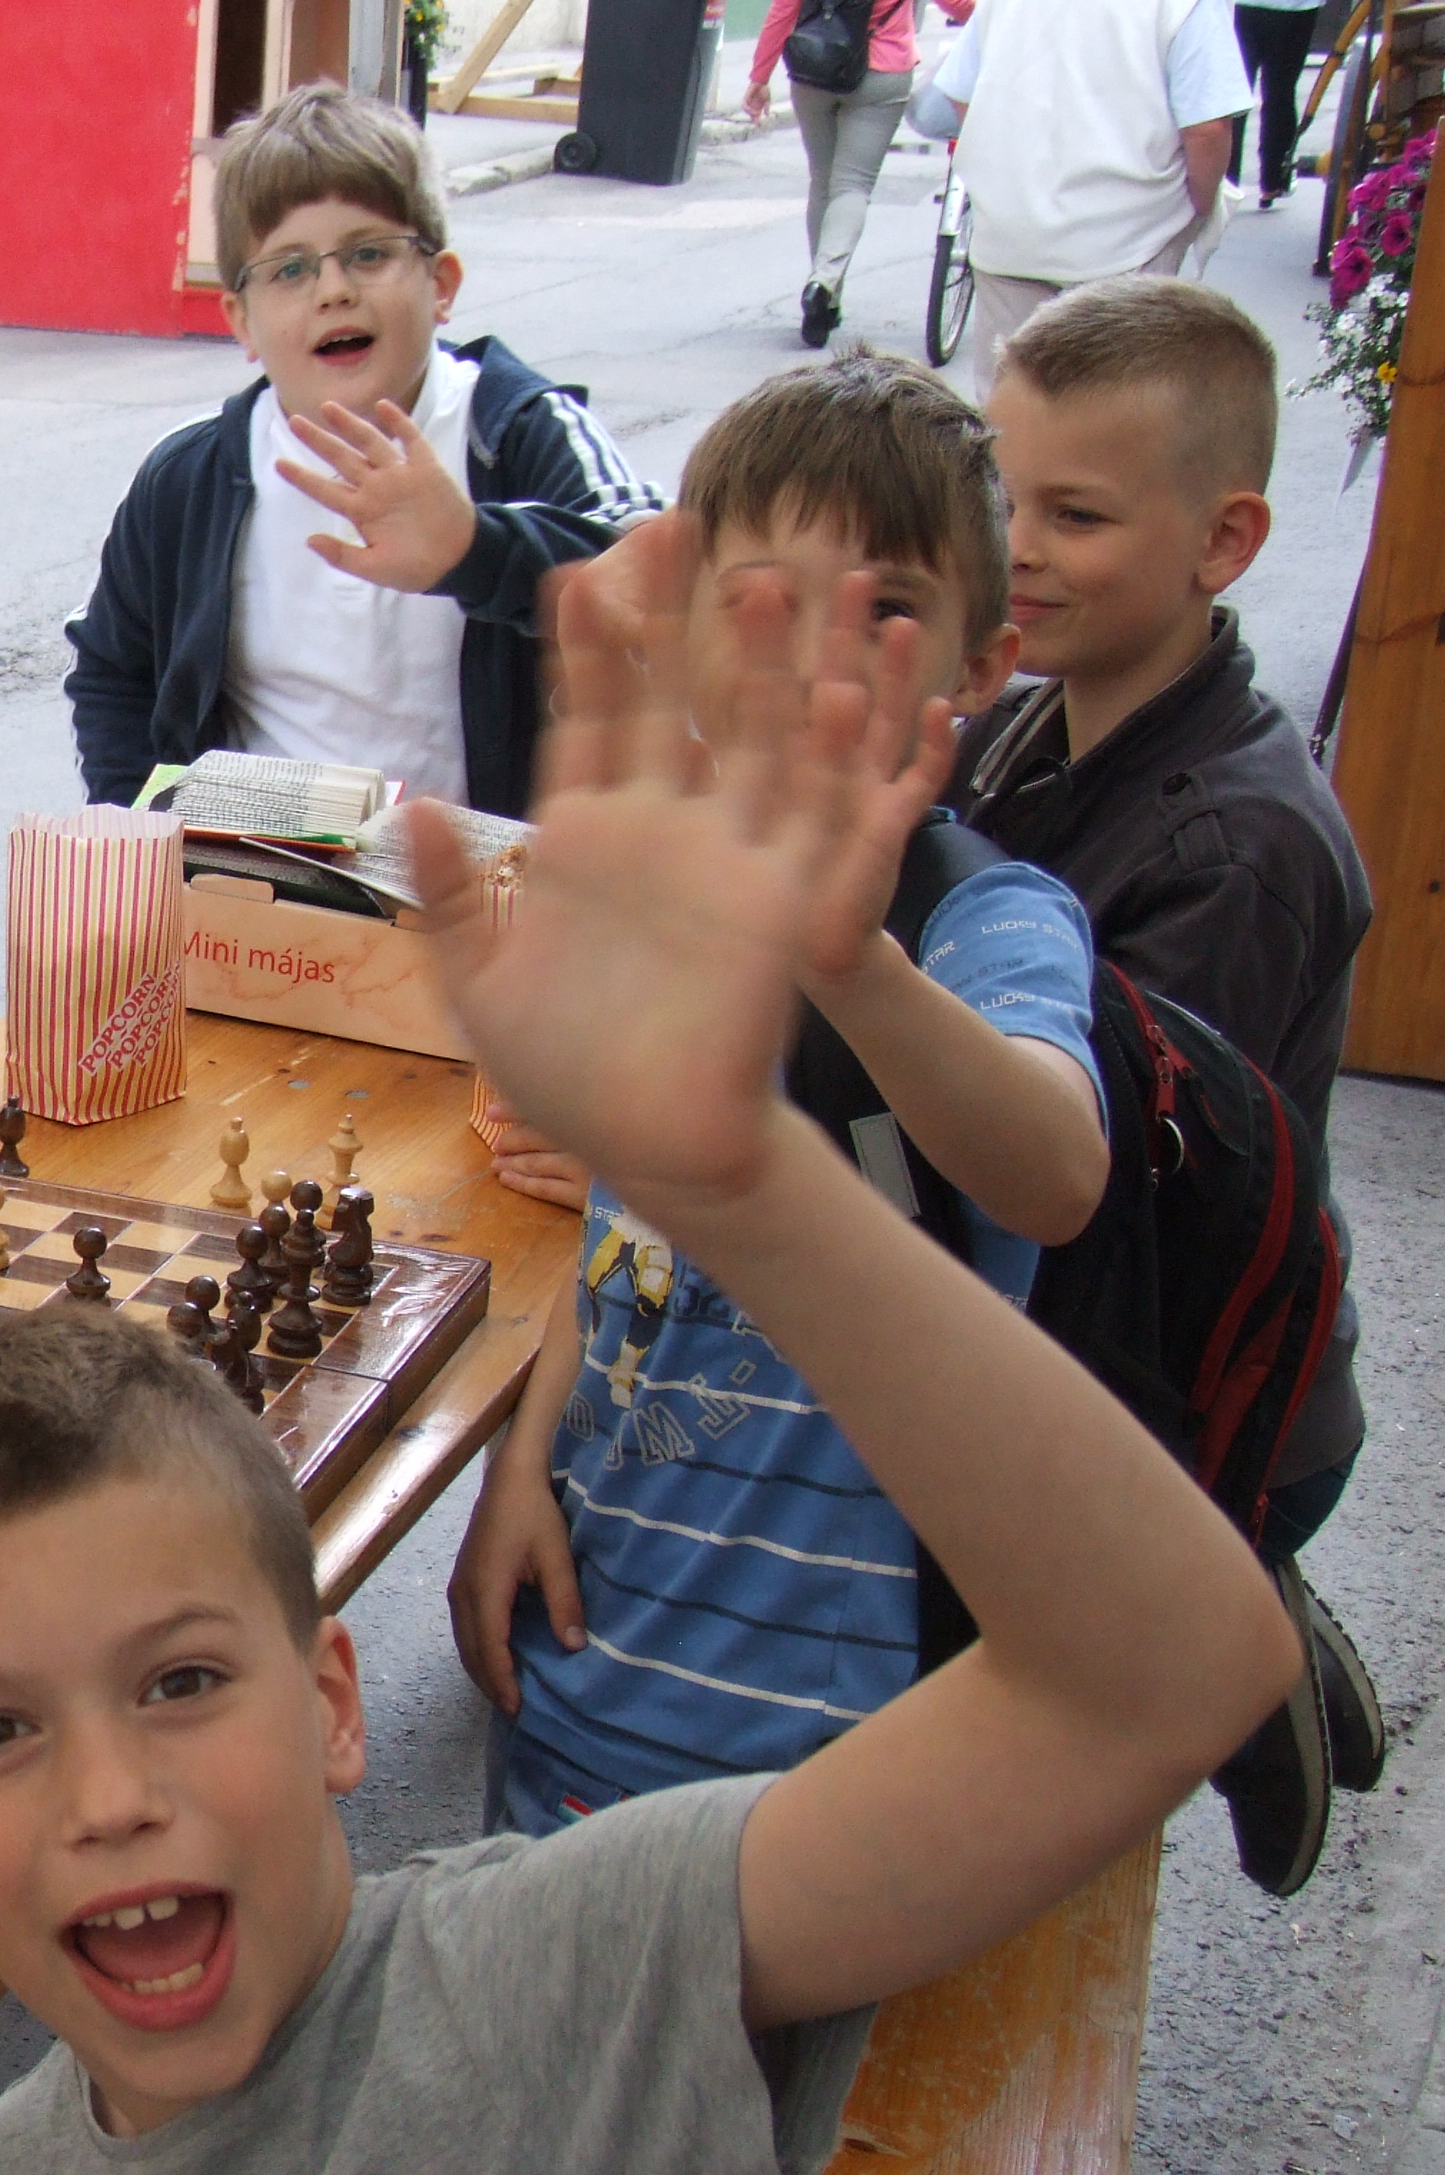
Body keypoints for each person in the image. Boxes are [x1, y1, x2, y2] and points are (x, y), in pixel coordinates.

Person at [0, 520, 1297, 2175]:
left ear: (334, 1701)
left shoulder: (568, 1983)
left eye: (183, 1680)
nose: (108, 1792)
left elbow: (1169, 1669)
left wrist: (734, 1183)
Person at [448, 356, 1107, 1834]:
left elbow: (1055, 1173)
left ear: (981, 666)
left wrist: (854, 964)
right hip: (583, 1676)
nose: (813, 656)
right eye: (759, 602)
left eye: (884, 610)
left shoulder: (981, 919)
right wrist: (520, 1466)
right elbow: (622, 1235)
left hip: (835, 1750)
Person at [957, 277, 1382, 1883]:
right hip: (1104, 1326)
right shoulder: (1028, 721)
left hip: (1196, 1392)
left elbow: (1115, 1210)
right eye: (1001, 497)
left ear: (1225, 542)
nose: (1015, 549)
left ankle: (1225, 1639)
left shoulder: (1236, 850)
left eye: (1074, 515)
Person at [63, 81, 660, 822]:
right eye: (289, 269)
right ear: (241, 321)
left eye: (369, 254)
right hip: (258, 874)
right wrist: (149, 834)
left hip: (477, 881)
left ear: (441, 285)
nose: (333, 290)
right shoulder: (190, 478)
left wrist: (474, 549)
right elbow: (112, 670)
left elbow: (656, 574)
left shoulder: (514, 432)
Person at [930, 0, 1253, 388]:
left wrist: (1007, 168)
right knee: (1116, 401)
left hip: (1012, 230)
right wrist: (1201, 203)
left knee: (1012, 401)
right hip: (1130, 233)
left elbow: (961, 91)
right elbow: (1208, 127)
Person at [747, 0, 926, 348]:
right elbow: (960, 6)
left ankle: (825, 304)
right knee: (852, 185)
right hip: (882, 73)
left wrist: (760, 75)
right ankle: (824, 282)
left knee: (822, 182)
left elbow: (783, 9)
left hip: (816, 65)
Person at [1232, 0, 1317, 207]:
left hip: (1243, 6)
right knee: (1281, 92)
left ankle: (1226, 180)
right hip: (1293, 8)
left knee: (1234, 95)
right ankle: (1273, 180)